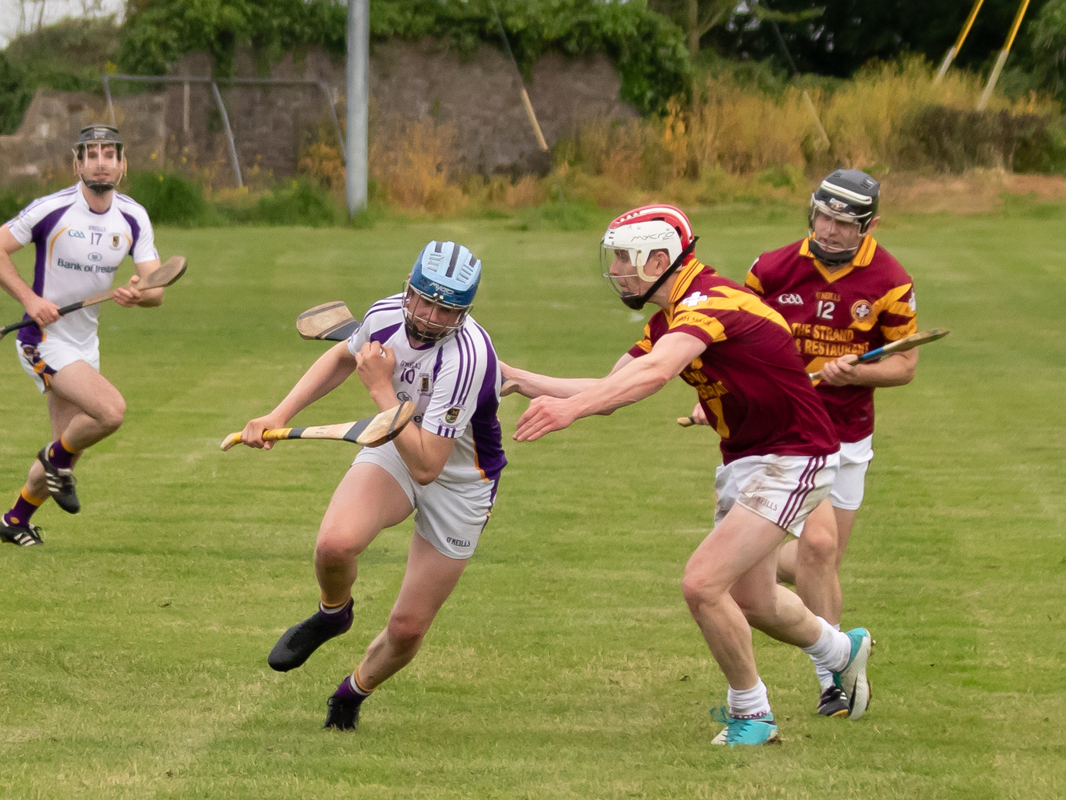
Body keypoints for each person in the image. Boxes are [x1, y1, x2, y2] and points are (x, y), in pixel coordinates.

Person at [505, 205, 873, 746]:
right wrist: (517, 378)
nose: (617, 272)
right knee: (755, 600)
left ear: (660, 258)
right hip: (747, 458)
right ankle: (843, 652)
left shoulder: (709, 302)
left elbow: (653, 374)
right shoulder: (671, 316)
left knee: (702, 583)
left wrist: (570, 412)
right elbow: (608, 388)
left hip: (794, 454)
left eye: (625, 260)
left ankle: (753, 715)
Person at [237, 241, 506, 731]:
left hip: (461, 478)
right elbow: (344, 357)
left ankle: (350, 694)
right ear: (408, 288)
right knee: (334, 546)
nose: (427, 316)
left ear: (464, 313)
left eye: (445, 310)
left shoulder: (466, 360)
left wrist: (381, 387)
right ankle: (333, 613)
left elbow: (428, 466)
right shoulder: (384, 314)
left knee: (406, 629)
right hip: (394, 442)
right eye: (422, 299)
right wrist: (278, 414)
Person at [733, 169, 915, 718]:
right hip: (787, 429)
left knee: (822, 555)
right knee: (817, 548)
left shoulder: (890, 281)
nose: (830, 231)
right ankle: (833, 675)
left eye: (844, 223)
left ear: (870, 225)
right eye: (823, 217)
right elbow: (731, 335)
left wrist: (855, 374)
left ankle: (754, 563)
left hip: (849, 436)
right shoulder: (771, 269)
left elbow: (905, 365)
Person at [0, 125, 163, 546]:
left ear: (122, 164)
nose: (102, 161)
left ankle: (15, 520)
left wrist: (139, 295)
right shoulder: (52, 208)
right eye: (93, 153)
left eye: (110, 154)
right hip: (42, 338)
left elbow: (157, 291)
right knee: (110, 412)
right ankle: (54, 460)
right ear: (77, 163)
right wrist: (29, 299)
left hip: (84, 342)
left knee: (68, 450)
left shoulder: (134, 216)